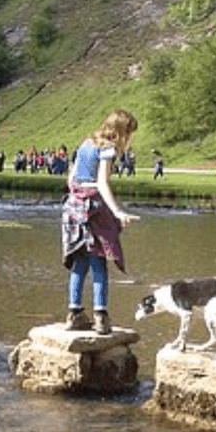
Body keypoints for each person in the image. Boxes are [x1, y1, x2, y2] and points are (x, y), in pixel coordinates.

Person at [61, 108, 140, 334]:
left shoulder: (86, 143)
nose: (130, 139)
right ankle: (100, 317)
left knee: (79, 262)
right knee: (99, 263)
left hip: (73, 208)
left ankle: (74, 314)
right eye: (129, 133)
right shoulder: (107, 149)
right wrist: (117, 212)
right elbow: (102, 183)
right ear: (121, 131)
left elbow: (71, 179)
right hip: (94, 208)